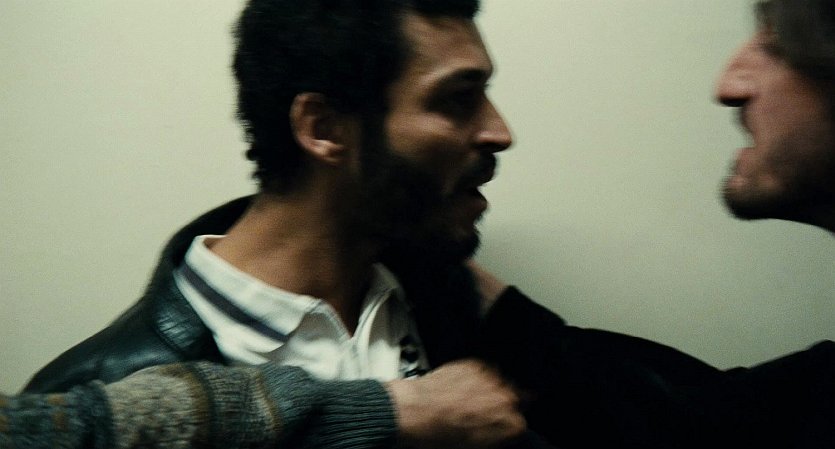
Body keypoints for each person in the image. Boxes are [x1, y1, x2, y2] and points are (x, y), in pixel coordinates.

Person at [18, 0, 831, 448]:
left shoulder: (462, 322)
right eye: (456, 99)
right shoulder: (100, 396)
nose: (499, 132)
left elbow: (703, 419)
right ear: (323, 129)